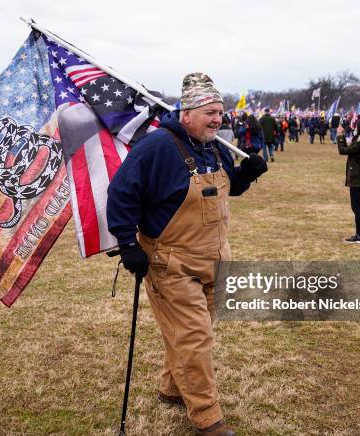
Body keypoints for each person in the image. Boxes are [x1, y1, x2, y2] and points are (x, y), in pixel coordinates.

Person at [107, 72, 267, 436]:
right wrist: (128, 244)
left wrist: (248, 174)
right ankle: (208, 418)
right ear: (186, 114)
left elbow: (230, 189)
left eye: (220, 112)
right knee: (194, 338)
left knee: (191, 332)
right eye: (209, 112)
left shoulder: (214, 146)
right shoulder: (156, 148)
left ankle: (171, 387)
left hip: (214, 259)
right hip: (172, 263)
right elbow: (120, 193)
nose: (217, 119)